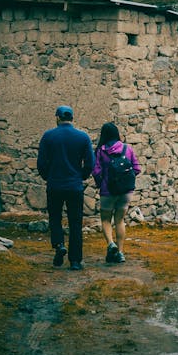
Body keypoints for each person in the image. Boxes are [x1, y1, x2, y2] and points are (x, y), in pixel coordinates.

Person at [37, 105, 94, 271]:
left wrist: (48, 177)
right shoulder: (83, 137)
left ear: (57, 117)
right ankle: (75, 261)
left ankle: (59, 244)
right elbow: (90, 163)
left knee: (55, 218)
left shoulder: (48, 136)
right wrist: (81, 176)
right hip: (74, 186)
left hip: (54, 185)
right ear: (72, 118)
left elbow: (41, 163)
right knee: (75, 223)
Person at [93, 122, 140, 264]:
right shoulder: (128, 148)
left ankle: (110, 244)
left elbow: (96, 171)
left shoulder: (101, 151)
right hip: (126, 192)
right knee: (120, 220)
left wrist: (102, 182)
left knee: (106, 220)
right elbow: (137, 168)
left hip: (108, 191)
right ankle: (120, 253)